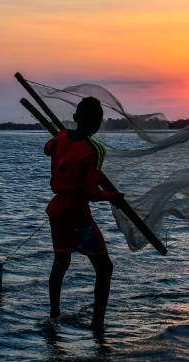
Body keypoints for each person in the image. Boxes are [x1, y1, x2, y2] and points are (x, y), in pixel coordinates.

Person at [43, 96, 122, 329]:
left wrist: (62, 138)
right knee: (105, 267)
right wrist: (112, 197)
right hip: (77, 214)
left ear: (76, 118)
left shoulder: (59, 137)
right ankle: (98, 324)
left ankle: (54, 314)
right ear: (98, 123)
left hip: (57, 211)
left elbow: (47, 149)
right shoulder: (94, 149)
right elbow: (90, 192)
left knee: (61, 261)